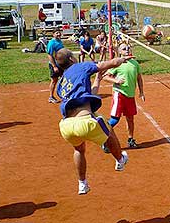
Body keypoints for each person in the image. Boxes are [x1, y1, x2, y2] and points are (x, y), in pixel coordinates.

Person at [55, 48, 133, 195]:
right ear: (71, 59)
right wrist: (121, 60)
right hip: (85, 122)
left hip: (66, 126)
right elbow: (108, 63)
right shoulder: (80, 66)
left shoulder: (62, 81)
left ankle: (82, 183)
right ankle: (120, 159)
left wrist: (97, 80)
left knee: (79, 150)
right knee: (109, 128)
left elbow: (88, 97)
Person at [103, 42, 145, 149]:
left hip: (130, 96)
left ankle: (130, 139)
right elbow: (105, 77)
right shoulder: (117, 63)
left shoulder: (135, 63)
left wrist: (141, 92)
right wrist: (116, 80)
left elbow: (139, 78)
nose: (127, 49)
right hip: (119, 94)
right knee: (114, 120)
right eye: (124, 48)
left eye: (128, 48)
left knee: (130, 119)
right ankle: (104, 139)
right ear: (120, 52)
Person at [46, 29, 64, 103]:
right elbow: (49, 55)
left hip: (61, 64)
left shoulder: (59, 41)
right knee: (54, 80)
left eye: (59, 33)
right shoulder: (51, 43)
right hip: (55, 64)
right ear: (53, 34)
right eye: (57, 33)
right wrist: (54, 66)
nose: (59, 34)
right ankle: (51, 97)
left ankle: (64, 95)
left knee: (64, 79)